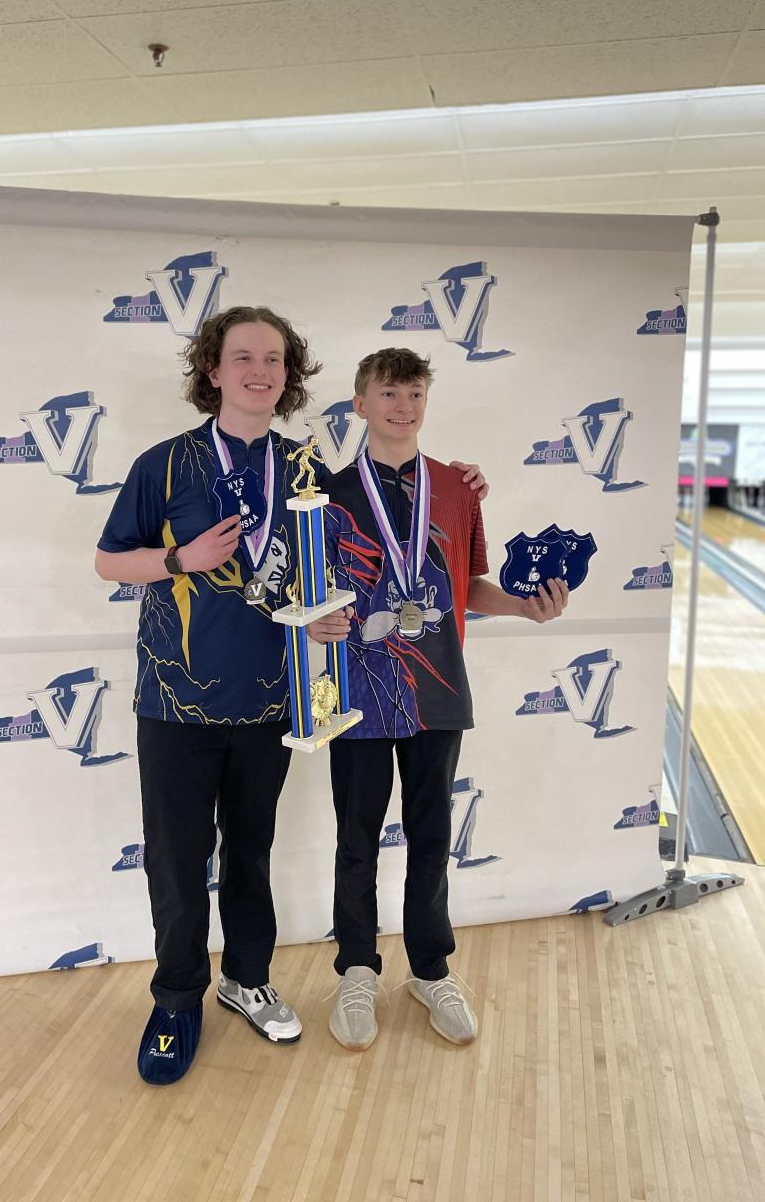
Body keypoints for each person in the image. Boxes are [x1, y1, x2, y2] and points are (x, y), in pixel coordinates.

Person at [96, 311, 489, 1085]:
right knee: (178, 862)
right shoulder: (164, 464)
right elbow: (111, 563)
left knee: (250, 854)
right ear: (213, 369)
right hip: (174, 702)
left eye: (272, 359)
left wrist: (461, 483)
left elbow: (351, 557)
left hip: (276, 702)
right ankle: (176, 998)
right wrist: (180, 556)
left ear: (289, 375)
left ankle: (246, 979)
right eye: (242, 356)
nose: (259, 370)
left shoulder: (307, 471)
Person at [309, 347, 568, 1052]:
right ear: (359, 403)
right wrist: (316, 620)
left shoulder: (457, 489)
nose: (403, 405)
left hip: (438, 690)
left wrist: (522, 608)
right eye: (387, 393)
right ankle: (358, 968)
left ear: (427, 402)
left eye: (414, 392)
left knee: (430, 839)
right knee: (357, 841)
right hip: (357, 693)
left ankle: (429, 969)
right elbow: (308, 599)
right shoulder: (327, 494)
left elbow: (468, 586)